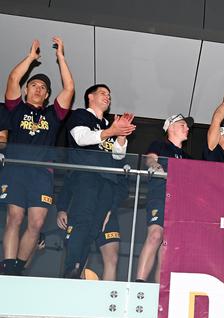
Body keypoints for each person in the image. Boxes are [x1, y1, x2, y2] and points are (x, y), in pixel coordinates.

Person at [0, 38, 74, 276]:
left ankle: (18, 267)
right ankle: (8, 266)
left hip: (42, 173)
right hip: (15, 170)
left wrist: (61, 57)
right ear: (26, 90)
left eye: (43, 88)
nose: (38, 89)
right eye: (34, 85)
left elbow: (69, 89)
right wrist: (31, 58)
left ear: (47, 95)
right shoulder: (15, 109)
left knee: (37, 223)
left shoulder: (53, 115)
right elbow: (13, 78)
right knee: (14, 217)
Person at [61, 84, 134, 278]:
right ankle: (71, 268)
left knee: (95, 227)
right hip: (86, 177)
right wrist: (111, 131)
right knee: (82, 221)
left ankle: (78, 269)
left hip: (108, 182)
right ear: (89, 97)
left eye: (109, 95)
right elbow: (81, 138)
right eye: (103, 93)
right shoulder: (80, 115)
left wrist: (120, 135)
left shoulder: (107, 125)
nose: (107, 97)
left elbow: (118, 156)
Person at [135, 114, 193, 283]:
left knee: (167, 246)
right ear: (171, 127)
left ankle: (160, 289)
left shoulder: (188, 157)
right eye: (183, 125)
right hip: (160, 195)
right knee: (155, 235)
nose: (187, 128)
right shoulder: (159, 145)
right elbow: (150, 159)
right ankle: (140, 283)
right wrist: (156, 166)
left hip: (180, 201)